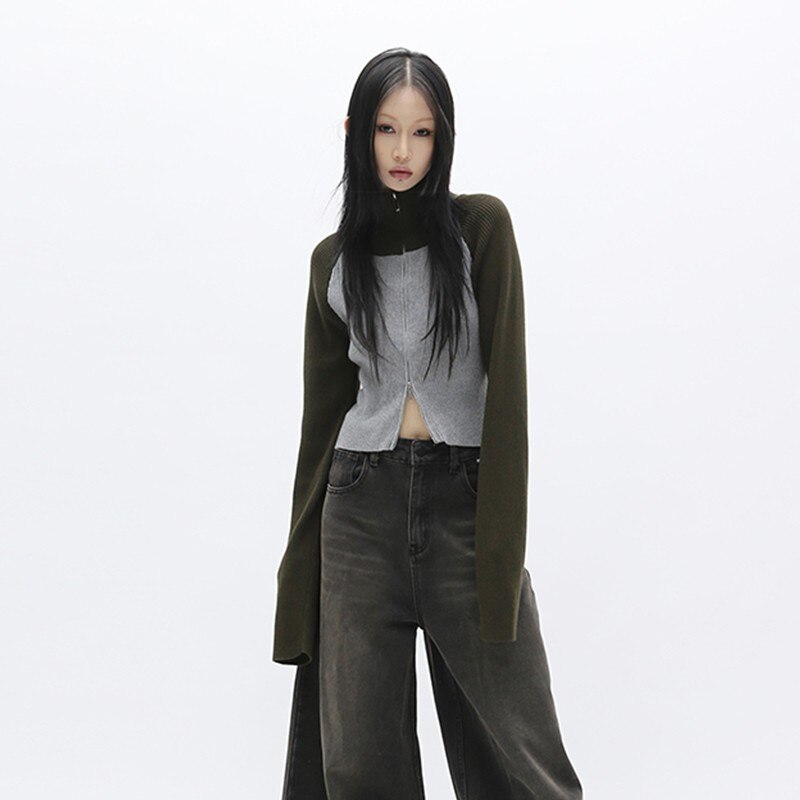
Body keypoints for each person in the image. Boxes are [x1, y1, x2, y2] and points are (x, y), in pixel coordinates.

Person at [274, 47, 583, 800]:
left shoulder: (481, 230)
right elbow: (321, 427)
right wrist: (296, 575)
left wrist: (501, 550)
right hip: (358, 511)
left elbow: (508, 398)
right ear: (356, 132)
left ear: (444, 137)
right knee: (359, 763)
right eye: (386, 129)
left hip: (462, 503)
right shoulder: (333, 263)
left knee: (523, 755)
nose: (403, 151)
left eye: (421, 132)